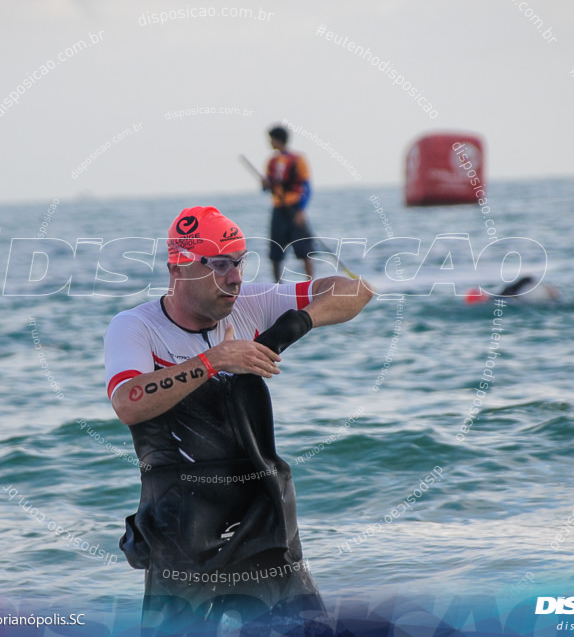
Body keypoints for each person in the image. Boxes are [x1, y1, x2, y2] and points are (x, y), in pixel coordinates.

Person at [104, 207, 373, 634]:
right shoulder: (136, 328)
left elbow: (356, 290)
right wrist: (215, 361)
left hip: (263, 524)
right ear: (179, 267)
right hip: (181, 537)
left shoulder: (250, 305)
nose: (235, 277)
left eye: (241, 261)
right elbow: (128, 403)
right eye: (221, 264)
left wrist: (291, 326)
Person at [263, 125, 316, 283]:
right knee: (276, 250)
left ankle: (309, 283)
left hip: (294, 207)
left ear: (278, 140)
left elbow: (306, 186)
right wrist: (266, 184)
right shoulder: (271, 161)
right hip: (279, 208)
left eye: (271, 139)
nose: (270, 142)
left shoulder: (298, 159)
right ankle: (278, 285)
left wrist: (301, 210)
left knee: (304, 249)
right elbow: (266, 187)